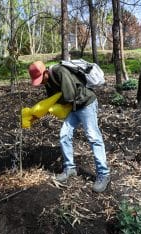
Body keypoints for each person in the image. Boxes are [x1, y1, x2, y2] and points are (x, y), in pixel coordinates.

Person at [28, 60, 110, 192]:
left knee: (93, 137)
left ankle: (103, 175)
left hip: (86, 104)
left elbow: (69, 95)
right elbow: (52, 100)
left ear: (45, 72)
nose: (40, 83)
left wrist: (53, 106)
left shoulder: (59, 71)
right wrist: (36, 113)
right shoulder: (48, 82)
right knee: (64, 135)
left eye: (40, 79)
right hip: (73, 107)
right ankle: (70, 168)